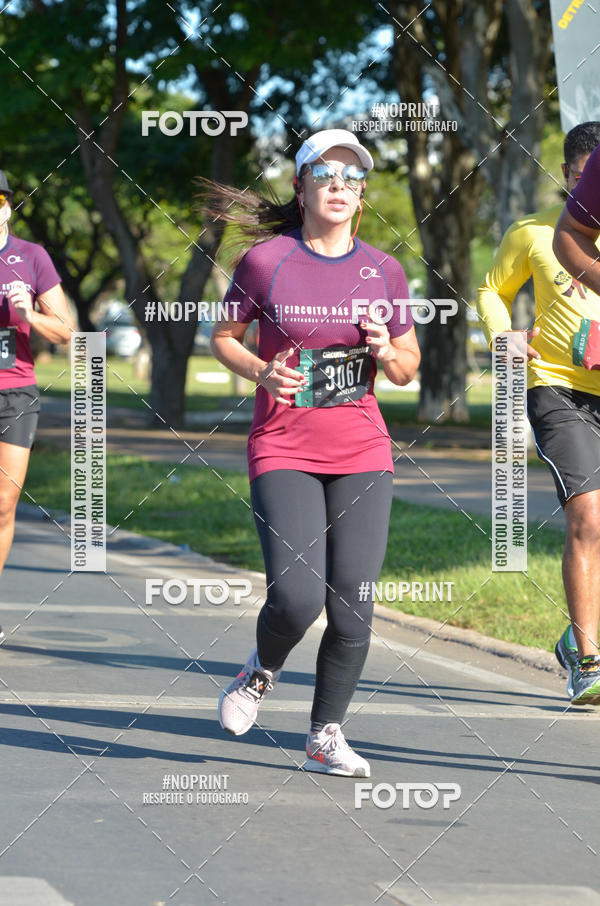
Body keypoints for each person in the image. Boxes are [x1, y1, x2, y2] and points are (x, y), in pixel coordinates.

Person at [207, 128, 420, 776]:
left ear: (361, 197)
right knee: (297, 597)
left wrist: (387, 352)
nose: (339, 185)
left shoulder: (385, 269)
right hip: (283, 445)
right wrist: (260, 372)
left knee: (353, 600)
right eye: (325, 173)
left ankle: (325, 733)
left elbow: (409, 367)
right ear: (301, 188)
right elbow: (223, 336)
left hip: (362, 447)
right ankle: (259, 671)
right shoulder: (265, 262)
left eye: (351, 177)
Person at [477, 122, 600, 706]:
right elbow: (491, 291)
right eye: (581, 181)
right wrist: (506, 339)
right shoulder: (534, 234)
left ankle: (575, 635)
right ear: (568, 176)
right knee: (589, 519)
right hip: (558, 390)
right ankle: (588, 659)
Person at [0, 170, 73, 644]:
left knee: (4, 503)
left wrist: (28, 313)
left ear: (7, 206)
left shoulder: (31, 257)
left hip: (15, 392)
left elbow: (67, 332)